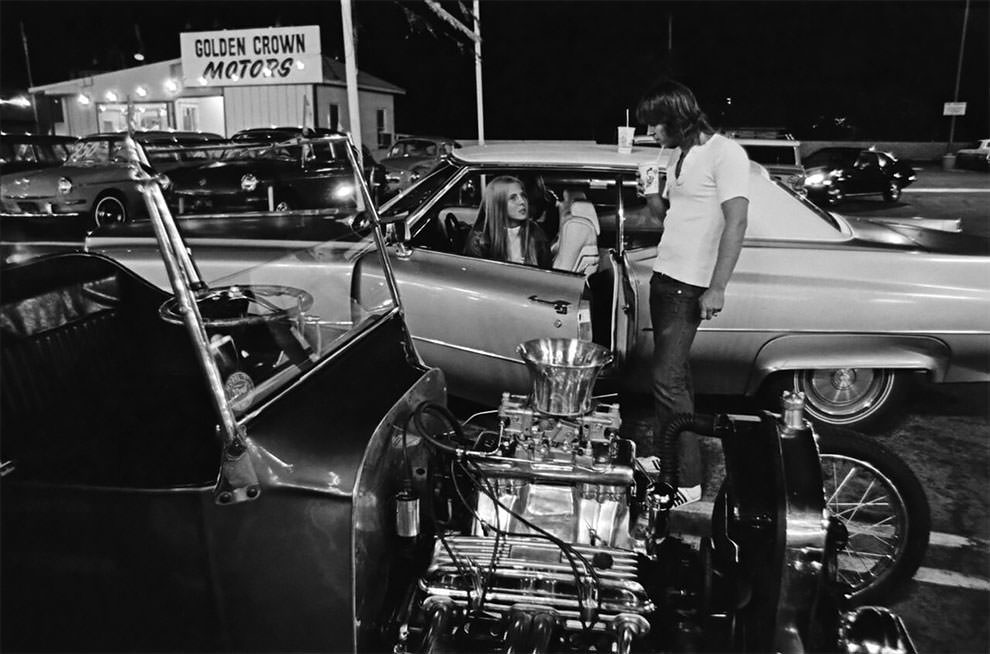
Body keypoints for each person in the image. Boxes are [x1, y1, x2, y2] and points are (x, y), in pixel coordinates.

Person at [636, 79, 750, 507]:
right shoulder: (680, 154)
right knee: (674, 376)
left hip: (691, 284)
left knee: (667, 379)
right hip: (665, 275)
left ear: (677, 118)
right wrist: (650, 192)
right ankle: (667, 457)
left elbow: (736, 223)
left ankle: (687, 480)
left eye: (655, 126)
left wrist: (718, 287)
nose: (652, 135)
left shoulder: (726, 154)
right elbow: (667, 216)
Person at [463, 175, 552, 267]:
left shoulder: (536, 233)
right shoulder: (479, 240)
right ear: (498, 204)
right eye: (513, 198)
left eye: (523, 195)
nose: (522, 201)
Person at [552, 187, 600, 274]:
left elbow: (560, 273)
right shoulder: (571, 228)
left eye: (559, 200)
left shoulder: (573, 227)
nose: (557, 204)